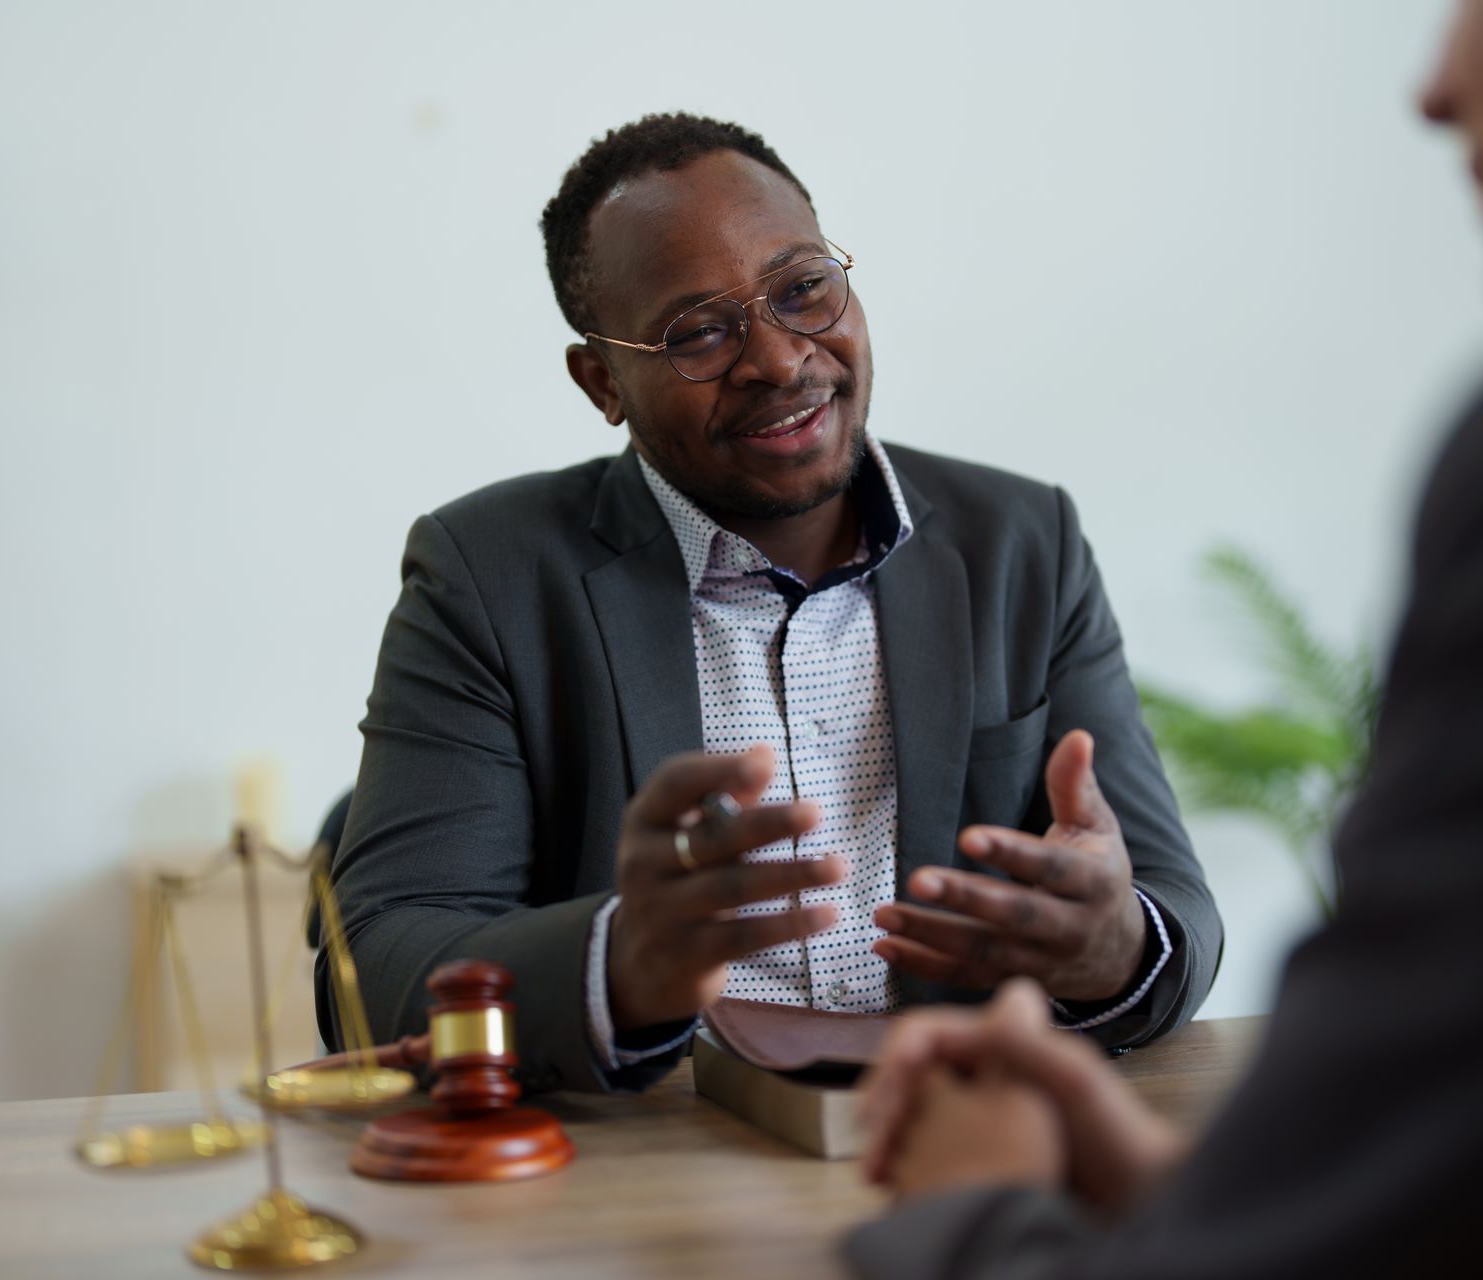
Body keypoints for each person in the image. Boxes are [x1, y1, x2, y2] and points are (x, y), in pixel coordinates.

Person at [846, 1, 1483, 1274]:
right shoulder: (489, 571)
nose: (1434, 88)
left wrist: (968, 1198)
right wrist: (1190, 1185)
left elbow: (1171, 924)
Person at [321, 114, 1222, 1094]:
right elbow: (377, 965)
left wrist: (1111, 945)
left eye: (803, 290)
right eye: (698, 331)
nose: (781, 359)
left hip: (958, 1145)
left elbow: (1170, 905)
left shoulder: (1021, 542)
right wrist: (618, 963)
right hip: (654, 1188)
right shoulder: (489, 575)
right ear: (601, 382)